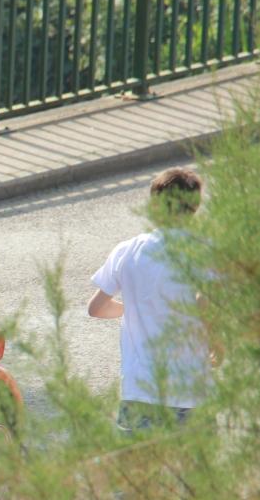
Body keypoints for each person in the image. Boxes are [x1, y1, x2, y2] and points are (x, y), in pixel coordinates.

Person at [87, 167, 211, 431]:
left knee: (137, 459)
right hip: (188, 389)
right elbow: (209, 307)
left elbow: (96, 308)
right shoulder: (202, 250)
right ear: (195, 207)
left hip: (138, 390)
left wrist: (136, 307)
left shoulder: (127, 251)